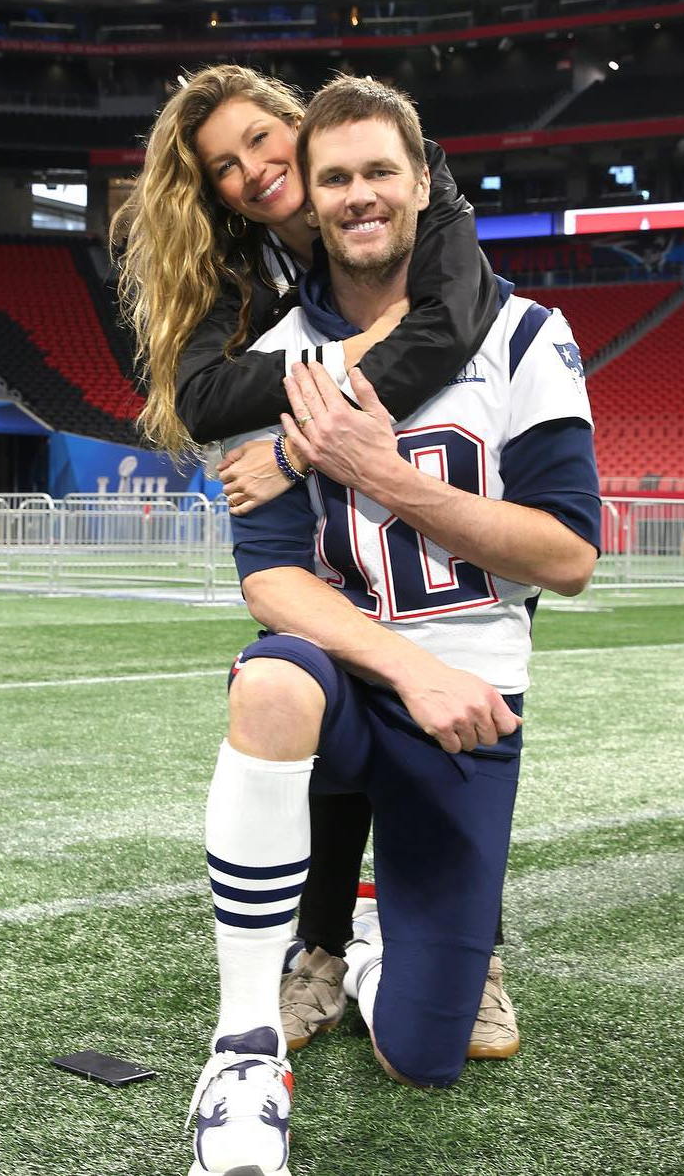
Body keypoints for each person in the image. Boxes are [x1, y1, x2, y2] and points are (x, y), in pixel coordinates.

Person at [186, 76, 600, 1176]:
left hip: (470, 708)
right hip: (357, 680)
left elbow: (565, 558)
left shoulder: (521, 333)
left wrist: (384, 476)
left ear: (422, 181)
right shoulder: (273, 360)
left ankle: (379, 958)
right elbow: (271, 584)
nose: (359, 196)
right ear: (309, 203)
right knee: (269, 680)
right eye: (336, 180)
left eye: (379, 172)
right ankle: (239, 1051)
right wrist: (406, 666)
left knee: (426, 1054)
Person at [112, 64, 519, 1058]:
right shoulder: (239, 266)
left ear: (297, 125)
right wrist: (345, 355)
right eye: (223, 167)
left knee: (454, 703)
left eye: (260, 139)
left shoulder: (411, 182)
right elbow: (204, 401)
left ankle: (473, 951)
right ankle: (323, 947)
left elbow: (453, 319)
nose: (253, 170)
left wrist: (299, 438)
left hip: (434, 474)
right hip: (333, 501)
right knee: (316, 688)